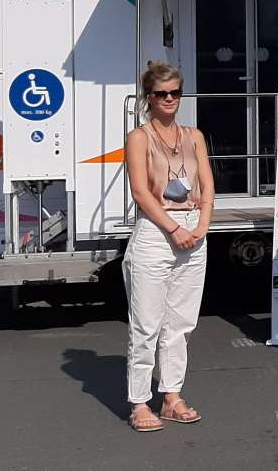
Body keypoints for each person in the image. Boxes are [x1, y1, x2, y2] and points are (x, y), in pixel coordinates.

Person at [123, 62, 214, 431]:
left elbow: (207, 184)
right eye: (161, 93)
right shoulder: (139, 137)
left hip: (194, 230)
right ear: (149, 97)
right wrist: (174, 228)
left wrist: (202, 226)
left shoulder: (194, 136)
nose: (169, 99)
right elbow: (140, 192)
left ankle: (172, 397)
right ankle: (139, 402)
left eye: (175, 92)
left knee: (181, 324)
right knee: (146, 324)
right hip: (156, 231)